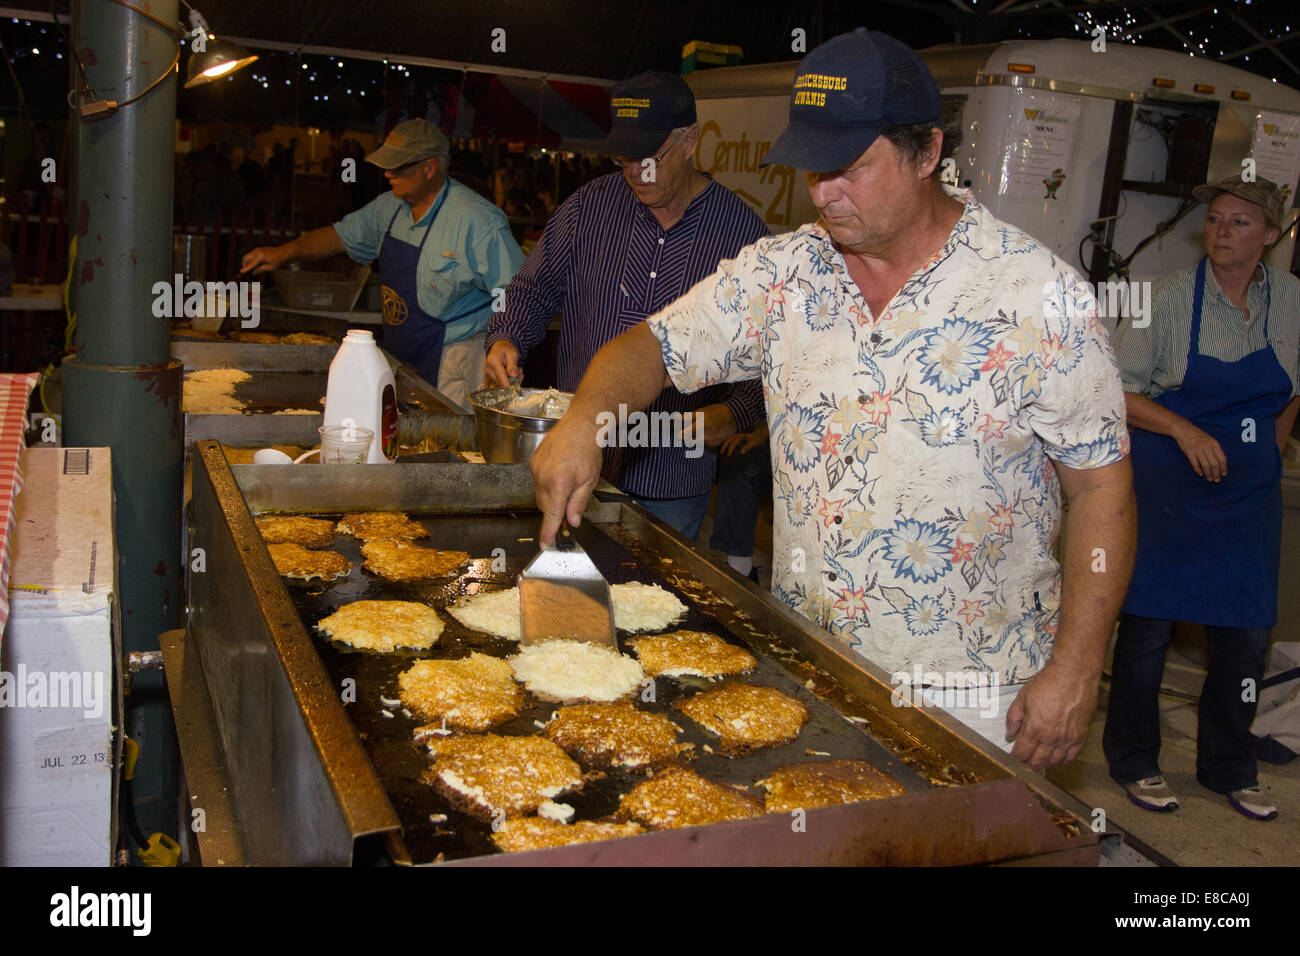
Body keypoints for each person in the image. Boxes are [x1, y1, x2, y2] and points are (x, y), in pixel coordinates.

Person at [528, 30, 1137, 770]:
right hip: (809, 663)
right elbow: (647, 347)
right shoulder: (787, 272)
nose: (823, 194)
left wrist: (1075, 669)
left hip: (976, 694)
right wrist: (586, 420)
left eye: (850, 168)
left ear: (926, 152)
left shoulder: (1038, 298)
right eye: (814, 169)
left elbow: (1102, 486)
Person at [484, 72, 767, 541]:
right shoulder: (589, 207)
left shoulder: (742, 236)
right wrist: (507, 334)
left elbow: (775, 352)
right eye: (624, 157)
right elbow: (534, 287)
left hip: (672, 474)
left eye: (649, 157)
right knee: (564, 595)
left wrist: (736, 412)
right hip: (577, 458)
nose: (635, 170)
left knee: (650, 607)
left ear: (690, 139)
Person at [1105, 176, 1300, 821]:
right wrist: (1185, 429)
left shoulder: (1292, 300)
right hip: (1170, 488)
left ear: (1271, 234)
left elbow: (1294, 385)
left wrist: (1269, 450)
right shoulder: (1164, 300)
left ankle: (1227, 767)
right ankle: (1135, 761)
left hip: (1247, 499)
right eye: (1215, 220)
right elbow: (1122, 392)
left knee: (1245, 637)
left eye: (1240, 223)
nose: (1222, 232)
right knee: (1147, 631)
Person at [242, 120, 524, 408]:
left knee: (447, 445)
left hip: (455, 360)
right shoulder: (388, 207)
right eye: (387, 165)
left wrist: (505, 341)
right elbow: (340, 236)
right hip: (400, 351)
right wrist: (284, 252)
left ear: (430, 167)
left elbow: (515, 291)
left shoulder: (477, 220)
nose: (388, 173)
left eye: (399, 166)